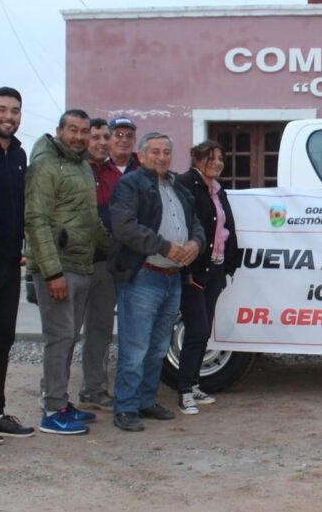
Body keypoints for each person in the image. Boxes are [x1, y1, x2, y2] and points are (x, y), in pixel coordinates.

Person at [25, 109, 112, 435]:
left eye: (83, 131)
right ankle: (51, 410)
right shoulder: (46, 165)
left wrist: (116, 245)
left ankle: (61, 401)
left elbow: (89, 221)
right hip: (58, 269)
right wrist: (51, 273)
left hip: (81, 264)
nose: (78, 136)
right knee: (59, 338)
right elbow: (36, 220)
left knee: (68, 338)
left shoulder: (81, 166)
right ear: (59, 130)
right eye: (72, 130)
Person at [110, 132, 205, 431]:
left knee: (157, 347)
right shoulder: (130, 184)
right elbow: (125, 227)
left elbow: (196, 224)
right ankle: (125, 406)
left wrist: (195, 244)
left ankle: (146, 400)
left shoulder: (178, 187)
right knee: (135, 347)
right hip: (143, 276)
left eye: (166, 151)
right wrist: (164, 246)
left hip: (171, 278)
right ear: (141, 155)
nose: (161, 157)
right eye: (155, 152)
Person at [174, 141, 241, 414]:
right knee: (197, 330)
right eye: (211, 158)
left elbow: (226, 227)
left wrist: (228, 265)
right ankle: (184, 392)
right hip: (195, 270)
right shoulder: (185, 185)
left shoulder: (218, 190)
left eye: (221, 158)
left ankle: (193, 383)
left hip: (214, 269)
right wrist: (186, 270)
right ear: (197, 159)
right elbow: (185, 226)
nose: (217, 163)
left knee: (203, 333)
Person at [78, 116, 140, 409]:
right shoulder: (89, 170)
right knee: (70, 331)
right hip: (89, 259)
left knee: (105, 327)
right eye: (116, 134)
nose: (121, 139)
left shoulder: (142, 169)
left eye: (128, 134)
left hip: (128, 262)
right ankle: (64, 392)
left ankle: (99, 388)